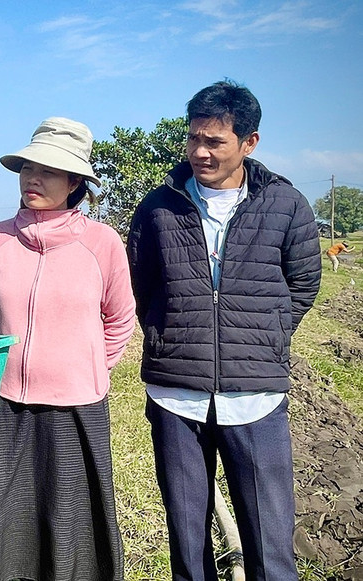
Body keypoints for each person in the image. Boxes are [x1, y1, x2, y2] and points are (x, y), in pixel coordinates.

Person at [127, 81, 322, 580]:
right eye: (194, 138)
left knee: (270, 545)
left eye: (214, 142)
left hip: (256, 398)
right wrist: (168, 336)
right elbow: (143, 285)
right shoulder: (156, 209)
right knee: (188, 546)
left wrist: (267, 337)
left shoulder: (286, 205)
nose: (199, 152)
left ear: (249, 143)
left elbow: (302, 284)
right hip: (176, 396)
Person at [0, 118, 136, 580]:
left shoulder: (103, 243)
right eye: (27, 168)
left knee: (69, 521)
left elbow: (119, 320)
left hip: (76, 407)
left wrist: (85, 366)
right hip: (5, 404)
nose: (33, 179)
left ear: (75, 181)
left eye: (49, 171)